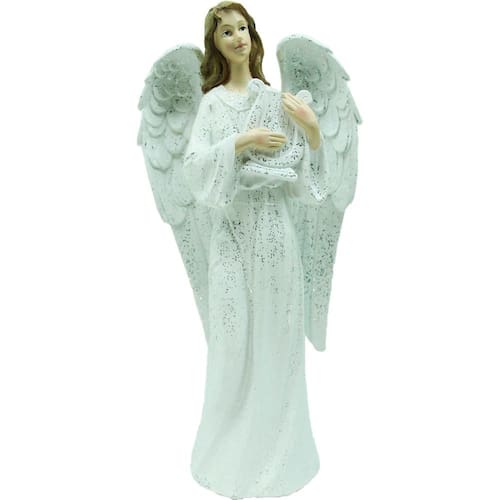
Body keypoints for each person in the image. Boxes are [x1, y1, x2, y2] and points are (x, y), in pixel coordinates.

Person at [182, 2, 333, 498]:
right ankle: (226, 455)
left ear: (253, 34)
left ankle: (279, 455)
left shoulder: (275, 99)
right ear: (216, 43)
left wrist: (312, 130)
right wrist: (241, 142)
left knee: (277, 339)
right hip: (230, 238)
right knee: (231, 343)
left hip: (274, 236)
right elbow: (194, 168)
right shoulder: (211, 105)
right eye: (226, 31)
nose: (238, 37)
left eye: (243, 27)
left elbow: (305, 184)